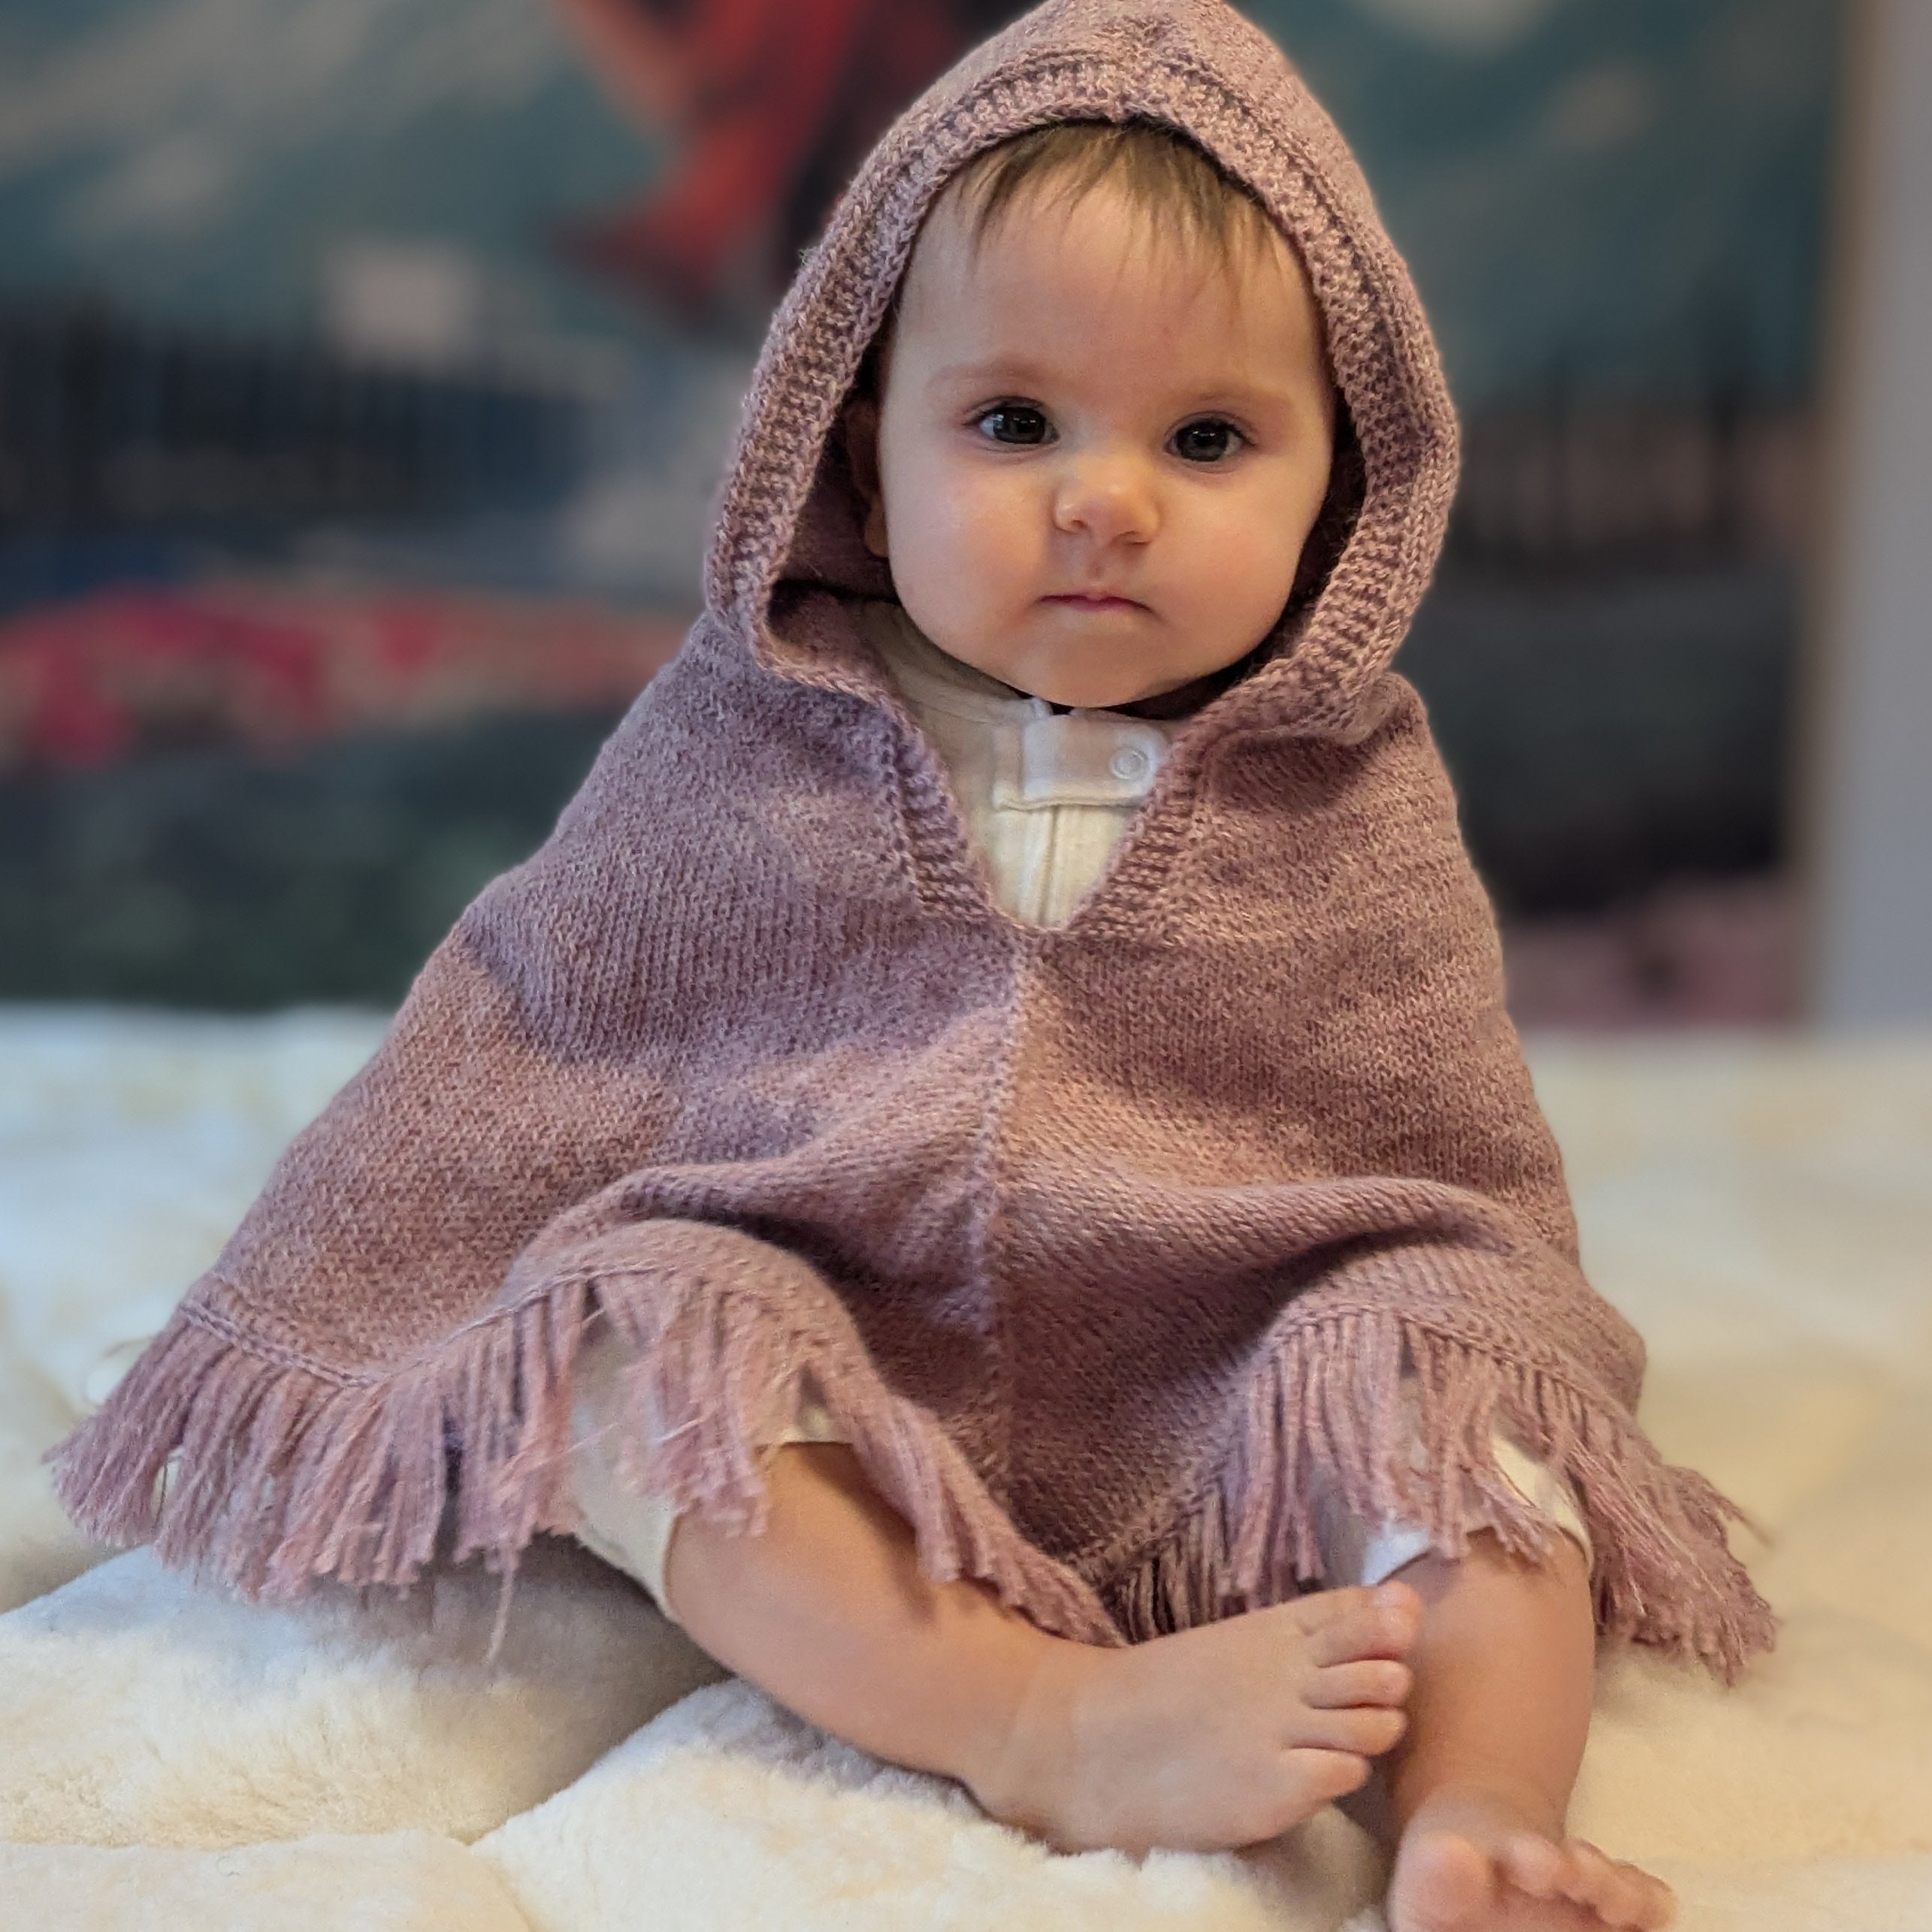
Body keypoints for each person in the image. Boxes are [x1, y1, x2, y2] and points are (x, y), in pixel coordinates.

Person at [54, 5, 1773, 1930]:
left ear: (1336, 498)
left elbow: (1432, 1151)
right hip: (834, 1331)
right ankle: (1020, 1707)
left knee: (1466, 1391)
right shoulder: (751, 738)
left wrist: (1440, 1321)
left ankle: (1474, 1807)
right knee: (628, 1336)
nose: (1101, 496)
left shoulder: (1346, 788)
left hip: (1241, 1354)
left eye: (1205, 437)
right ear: (863, 459)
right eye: (1013, 421)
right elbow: (547, 1033)